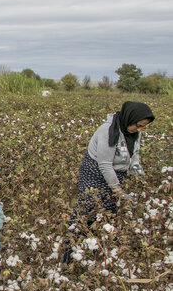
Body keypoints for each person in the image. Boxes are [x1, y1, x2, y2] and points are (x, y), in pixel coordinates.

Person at [64, 101, 155, 262]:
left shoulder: (134, 132)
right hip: (94, 174)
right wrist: (118, 191)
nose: (140, 130)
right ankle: (69, 258)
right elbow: (105, 165)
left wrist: (135, 166)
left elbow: (135, 153)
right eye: (138, 125)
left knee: (107, 216)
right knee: (86, 213)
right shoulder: (107, 131)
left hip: (116, 175)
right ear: (129, 118)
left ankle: (93, 259)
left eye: (143, 127)